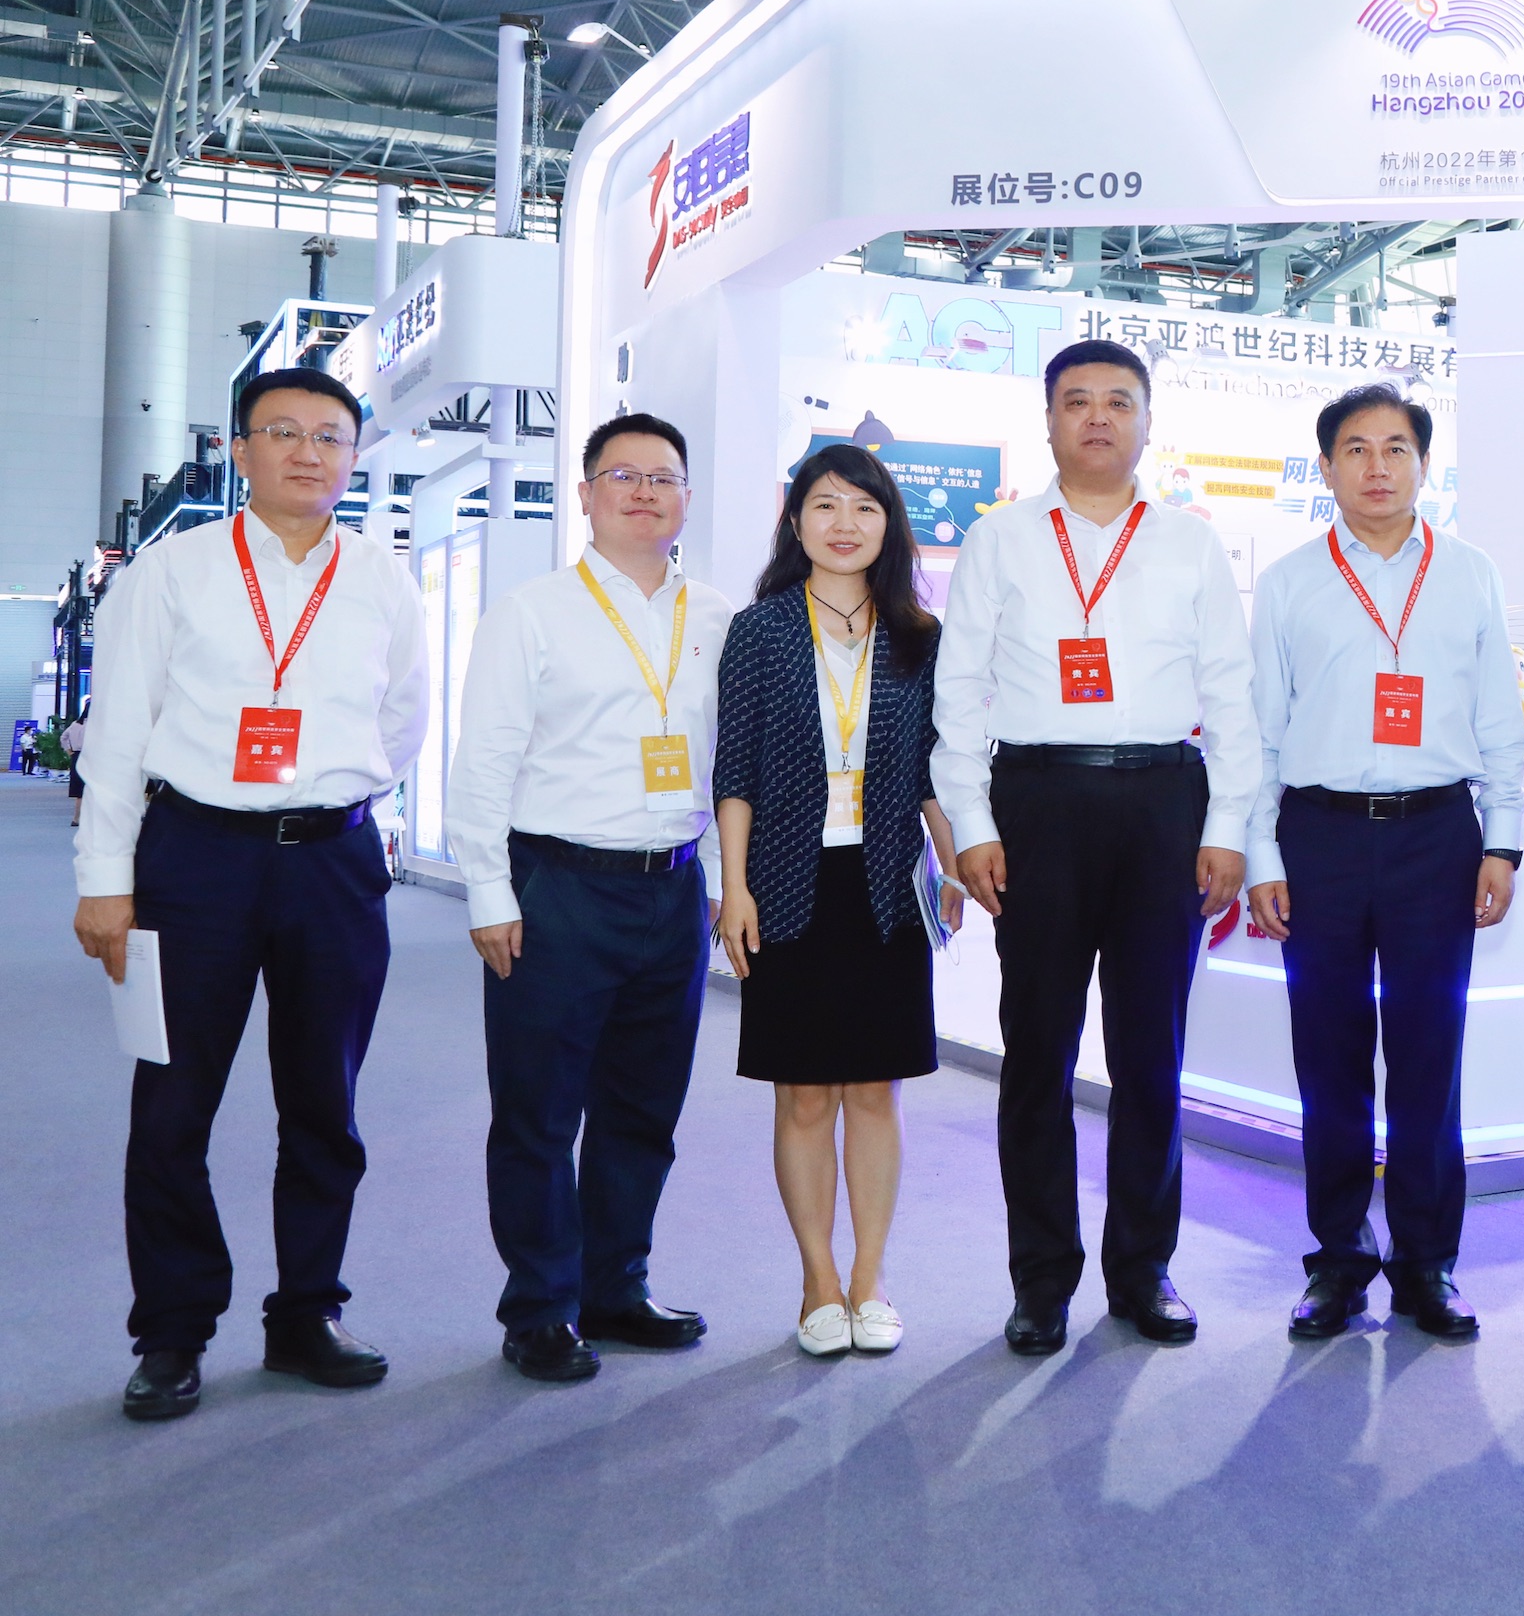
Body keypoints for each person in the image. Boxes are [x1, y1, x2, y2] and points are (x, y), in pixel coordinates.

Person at [71, 367, 427, 1422]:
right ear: (240, 451)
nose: (309, 453)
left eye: (331, 436)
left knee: (325, 1103)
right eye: (283, 432)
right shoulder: (173, 570)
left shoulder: (382, 577)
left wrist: (337, 796)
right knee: (172, 1105)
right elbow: (121, 728)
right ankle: (172, 1332)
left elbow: (402, 720)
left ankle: (307, 1313)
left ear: (353, 457)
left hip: (332, 865)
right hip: (197, 860)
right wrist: (105, 881)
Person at [933, 339, 1259, 1356]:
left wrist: (1227, 829)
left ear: (1148, 423)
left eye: (1119, 401)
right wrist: (974, 826)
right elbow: (958, 692)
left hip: (1163, 800)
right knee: (1037, 1051)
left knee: (1151, 1055)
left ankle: (1143, 1268)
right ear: (1049, 422)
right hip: (1038, 801)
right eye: (1077, 401)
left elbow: (1230, 694)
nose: (1099, 418)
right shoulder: (999, 540)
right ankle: (1041, 1280)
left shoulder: (1191, 543)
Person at [446, 413, 729, 1385]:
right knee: (538, 1113)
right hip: (558, 889)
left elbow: (726, 766)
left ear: (686, 497)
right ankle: (540, 1308)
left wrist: (719, 884)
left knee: (642, 1111)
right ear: (585, 495)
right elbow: (484, 758)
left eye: (664, 477)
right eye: (623, 476)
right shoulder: (533, 612)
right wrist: (488, 890)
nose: (645, 492)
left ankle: (616, 1288)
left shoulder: (716, 617)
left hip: (673, 890)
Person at [1246, 383, 1524, 1341]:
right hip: (1318, 837)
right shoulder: (1290, 581)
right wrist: (1261, 854)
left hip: (1436, 836)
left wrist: (1502, 841)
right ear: (1326, 467)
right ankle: (1338, 1261)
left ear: (1423, 464)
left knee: (1427, 1059)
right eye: (1357, 450)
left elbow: (1500, 722)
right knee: (1327, 1062)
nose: (1377, 467)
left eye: (1396, 448)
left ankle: (1426, 1264)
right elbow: (1261, 730)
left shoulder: (1470, 573)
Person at [713, 445, 963, 1357]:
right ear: (796, 521)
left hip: (885, 888)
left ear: (889, 524)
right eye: (825, 505)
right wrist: (733, 887)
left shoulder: (920, 636)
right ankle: (818, 1280)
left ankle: (870, 1279)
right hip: (786, 884)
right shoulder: (760, 630)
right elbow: (734, 770)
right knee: (805, 1095)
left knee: (875, 1091)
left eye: (864, 506)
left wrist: (953, 861)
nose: (845, 523)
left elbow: (937, 769)